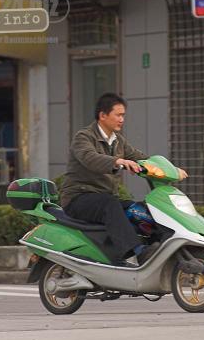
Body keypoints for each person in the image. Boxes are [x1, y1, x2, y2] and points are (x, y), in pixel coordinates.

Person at [60, 93, 188, 266]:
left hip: (103, 198)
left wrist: (171, 169)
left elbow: (141, 157)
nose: (122, 119)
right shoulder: (83, 137)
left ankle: (164, 246)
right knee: (110, 204)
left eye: (123, 115)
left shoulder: (118, 141)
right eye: (118, 115)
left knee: (139, 209)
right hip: (78, 198)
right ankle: (138, 253)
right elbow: (90, 158)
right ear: (103, 115)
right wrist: (117, 161)